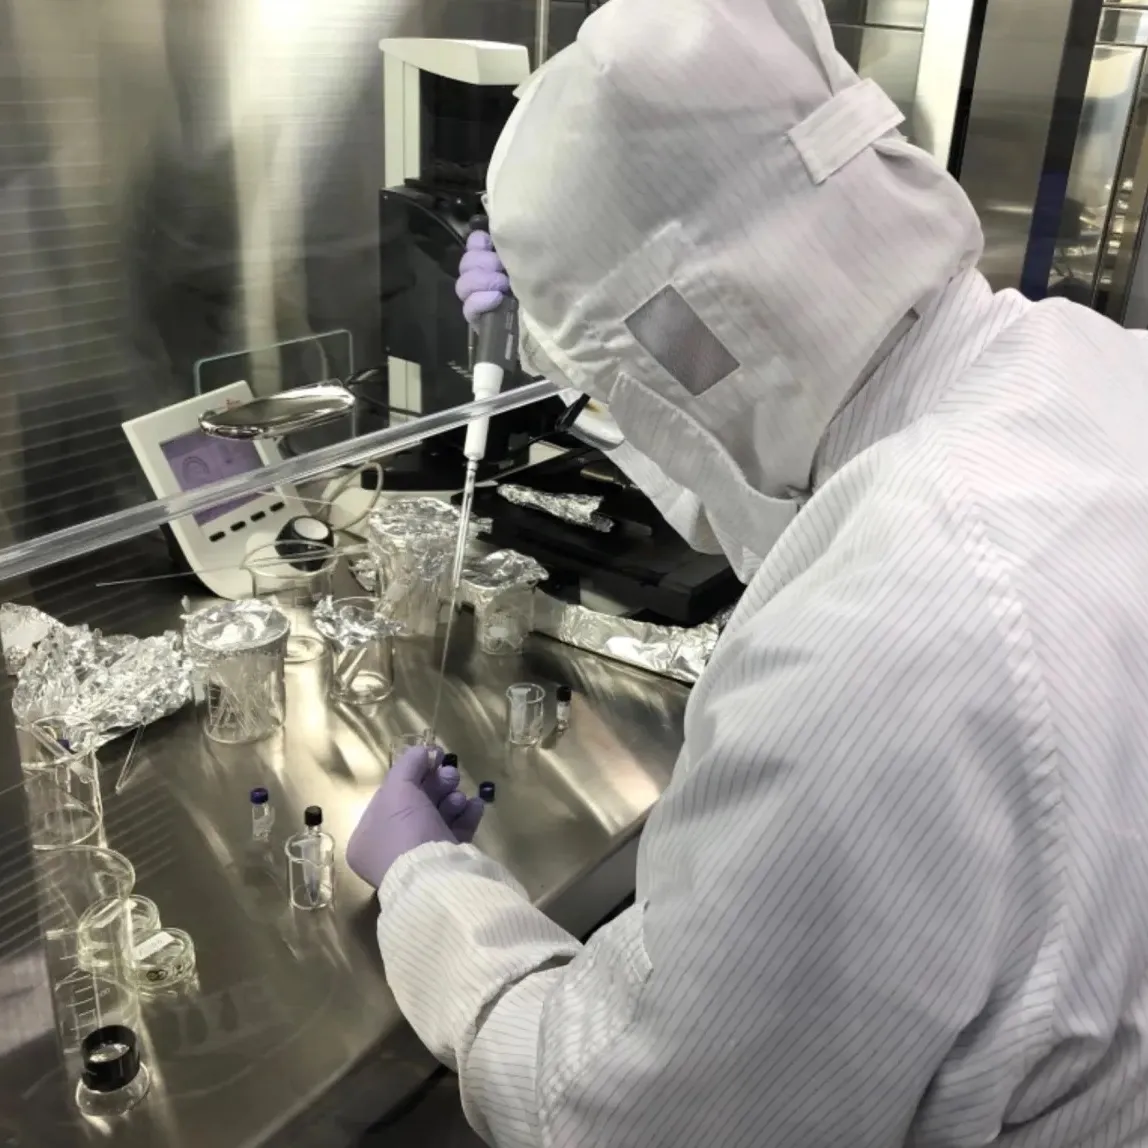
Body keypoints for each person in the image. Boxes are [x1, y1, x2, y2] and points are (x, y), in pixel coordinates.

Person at [346, 0, 1148, 1143]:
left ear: (681, 341)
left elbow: (613, 1111)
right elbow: (767, 446)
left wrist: (424, 882)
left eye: (622, 386)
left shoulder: (870, 651)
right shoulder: (1084, 366)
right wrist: (587, 365)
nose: (626, 414)